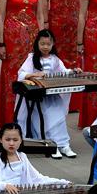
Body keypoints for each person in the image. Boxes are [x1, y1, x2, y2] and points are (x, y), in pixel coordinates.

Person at [0, 0, 41, 128]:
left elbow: (40, 15)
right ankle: (10, 118)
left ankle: (30, 119)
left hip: (32, 39)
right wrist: (0, 43)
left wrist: (43, 42)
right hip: (12, 41)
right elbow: (0, 17)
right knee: (12, 77)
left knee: (31, 75)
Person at [15, 29, 77, 158]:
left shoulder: (55, 59)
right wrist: (34, 74)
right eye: (42, 44)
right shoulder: (32, 58)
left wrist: (73, 71)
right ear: (37, 44)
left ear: (53, 44)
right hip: (38, 97)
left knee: (58, 115)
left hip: (52, 95)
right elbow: (21, 74)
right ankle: (52, 145)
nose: (45, 47)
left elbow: (63, 72)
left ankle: (64, 145)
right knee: (48, 116)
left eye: (48, 44)